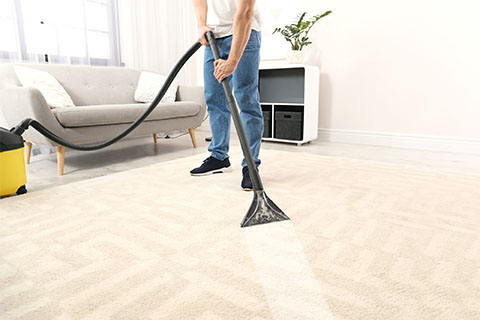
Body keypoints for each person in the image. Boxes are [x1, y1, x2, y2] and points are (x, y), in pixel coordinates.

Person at [190, 0, 263, 191]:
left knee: (246, 100)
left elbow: (245, 12)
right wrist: (201, 25)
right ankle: (219, 156)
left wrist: (233, 61)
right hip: (214, 36)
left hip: (244, 33)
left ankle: (250, 165)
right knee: (215, 100)